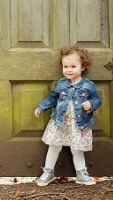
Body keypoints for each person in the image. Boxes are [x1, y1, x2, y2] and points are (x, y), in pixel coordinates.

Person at [33, 45, 102, 186]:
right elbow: (52, 98)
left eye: (73, 66)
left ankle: (81, 173)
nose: (69, 70)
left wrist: (91, 104)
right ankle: (48, 172)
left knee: (77, 148)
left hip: (79, 123)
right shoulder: (61, 84)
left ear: (82, 67)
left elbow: (97, 100)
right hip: (60, 122)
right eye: (65, 66)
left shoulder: (88, 86)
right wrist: (41, 106)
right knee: (54, 146)